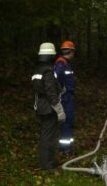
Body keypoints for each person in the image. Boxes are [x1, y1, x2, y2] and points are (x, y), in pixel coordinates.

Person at [32, 42, 66, 170]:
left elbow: (43, 88)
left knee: (45, 135)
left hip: (40, 106)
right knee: (49, 137)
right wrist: (59, 110)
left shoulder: (37, 69)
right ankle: (48, 165)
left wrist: (60, 88)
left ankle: (44, 162)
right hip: (48, 108)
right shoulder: (47, 71)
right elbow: (51, 93)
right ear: (49, 55)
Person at [54, 41, 76, 154]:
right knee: (66, 123)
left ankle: (67, 147)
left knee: (69, 122)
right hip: (65, 98)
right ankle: (65, 149)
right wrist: (62, 91)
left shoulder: (66, 63)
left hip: (69, 97)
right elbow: (55, 80)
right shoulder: (61, 63)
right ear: (70, 51)